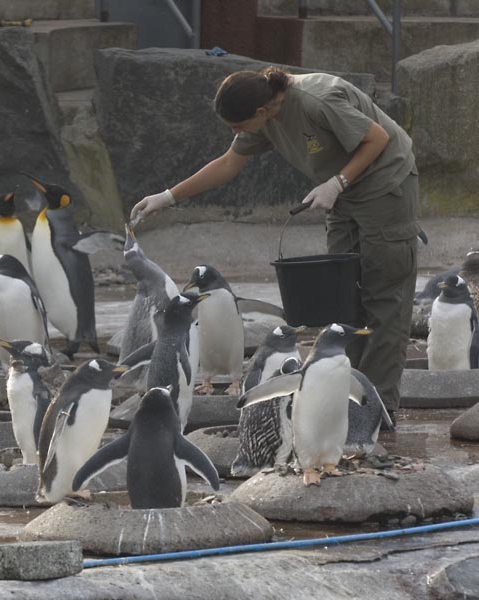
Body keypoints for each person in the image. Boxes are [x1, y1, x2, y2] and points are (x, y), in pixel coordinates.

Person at [131, 66, 421, 425]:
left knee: (383, 294)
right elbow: (227, 164)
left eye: (238, 126)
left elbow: (378, 139)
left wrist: (337, 183)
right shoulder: (266, 115)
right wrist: (168, 196)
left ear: (261, 111)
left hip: (384, 186)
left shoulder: (316, 101)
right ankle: (351, 394)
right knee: (344, 296)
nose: (236, 134)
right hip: (344, 198)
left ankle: (378, 408)